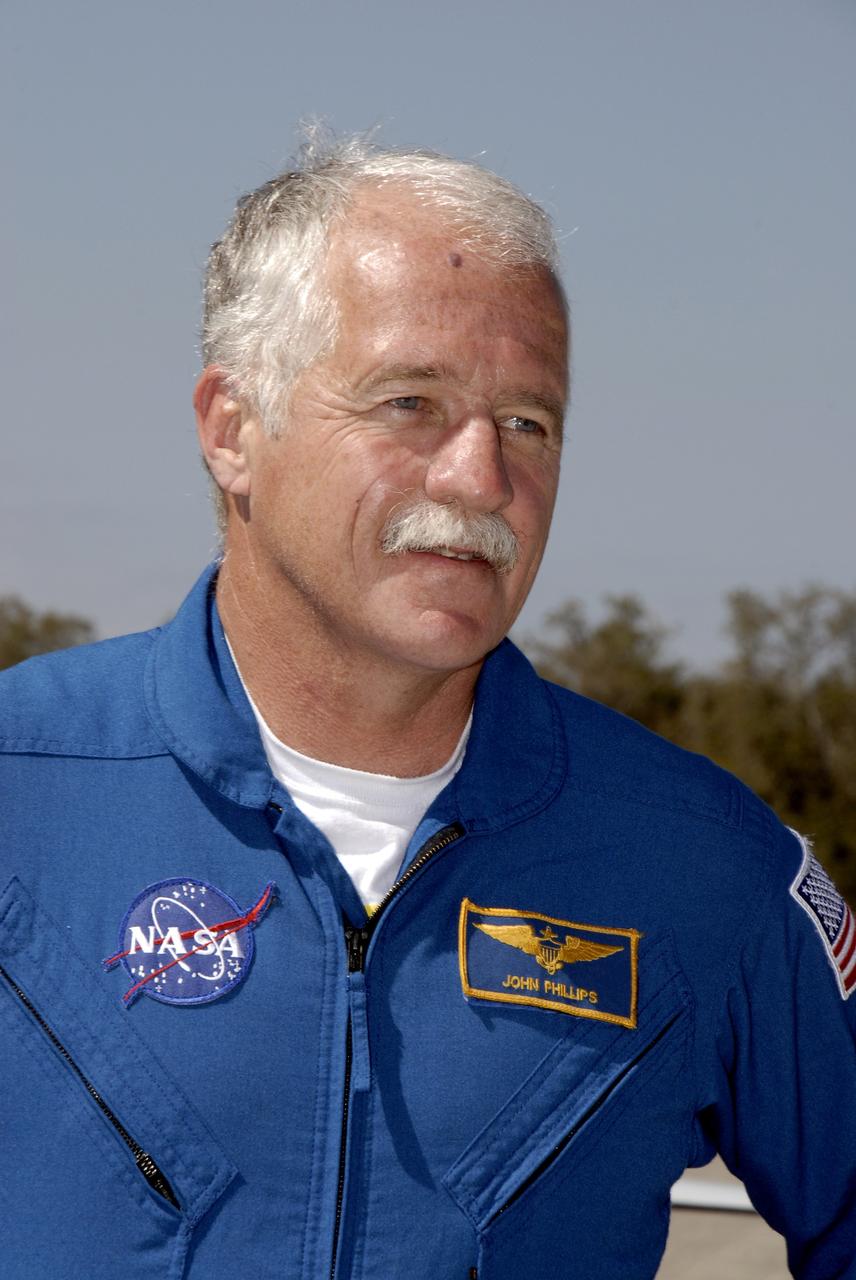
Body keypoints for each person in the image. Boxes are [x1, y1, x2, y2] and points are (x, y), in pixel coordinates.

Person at [1, 133, 854, 1280]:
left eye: (528, 422)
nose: (481, 476)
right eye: (411, 402)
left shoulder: (710, 871)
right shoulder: (23, 788)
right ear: (231, 429)